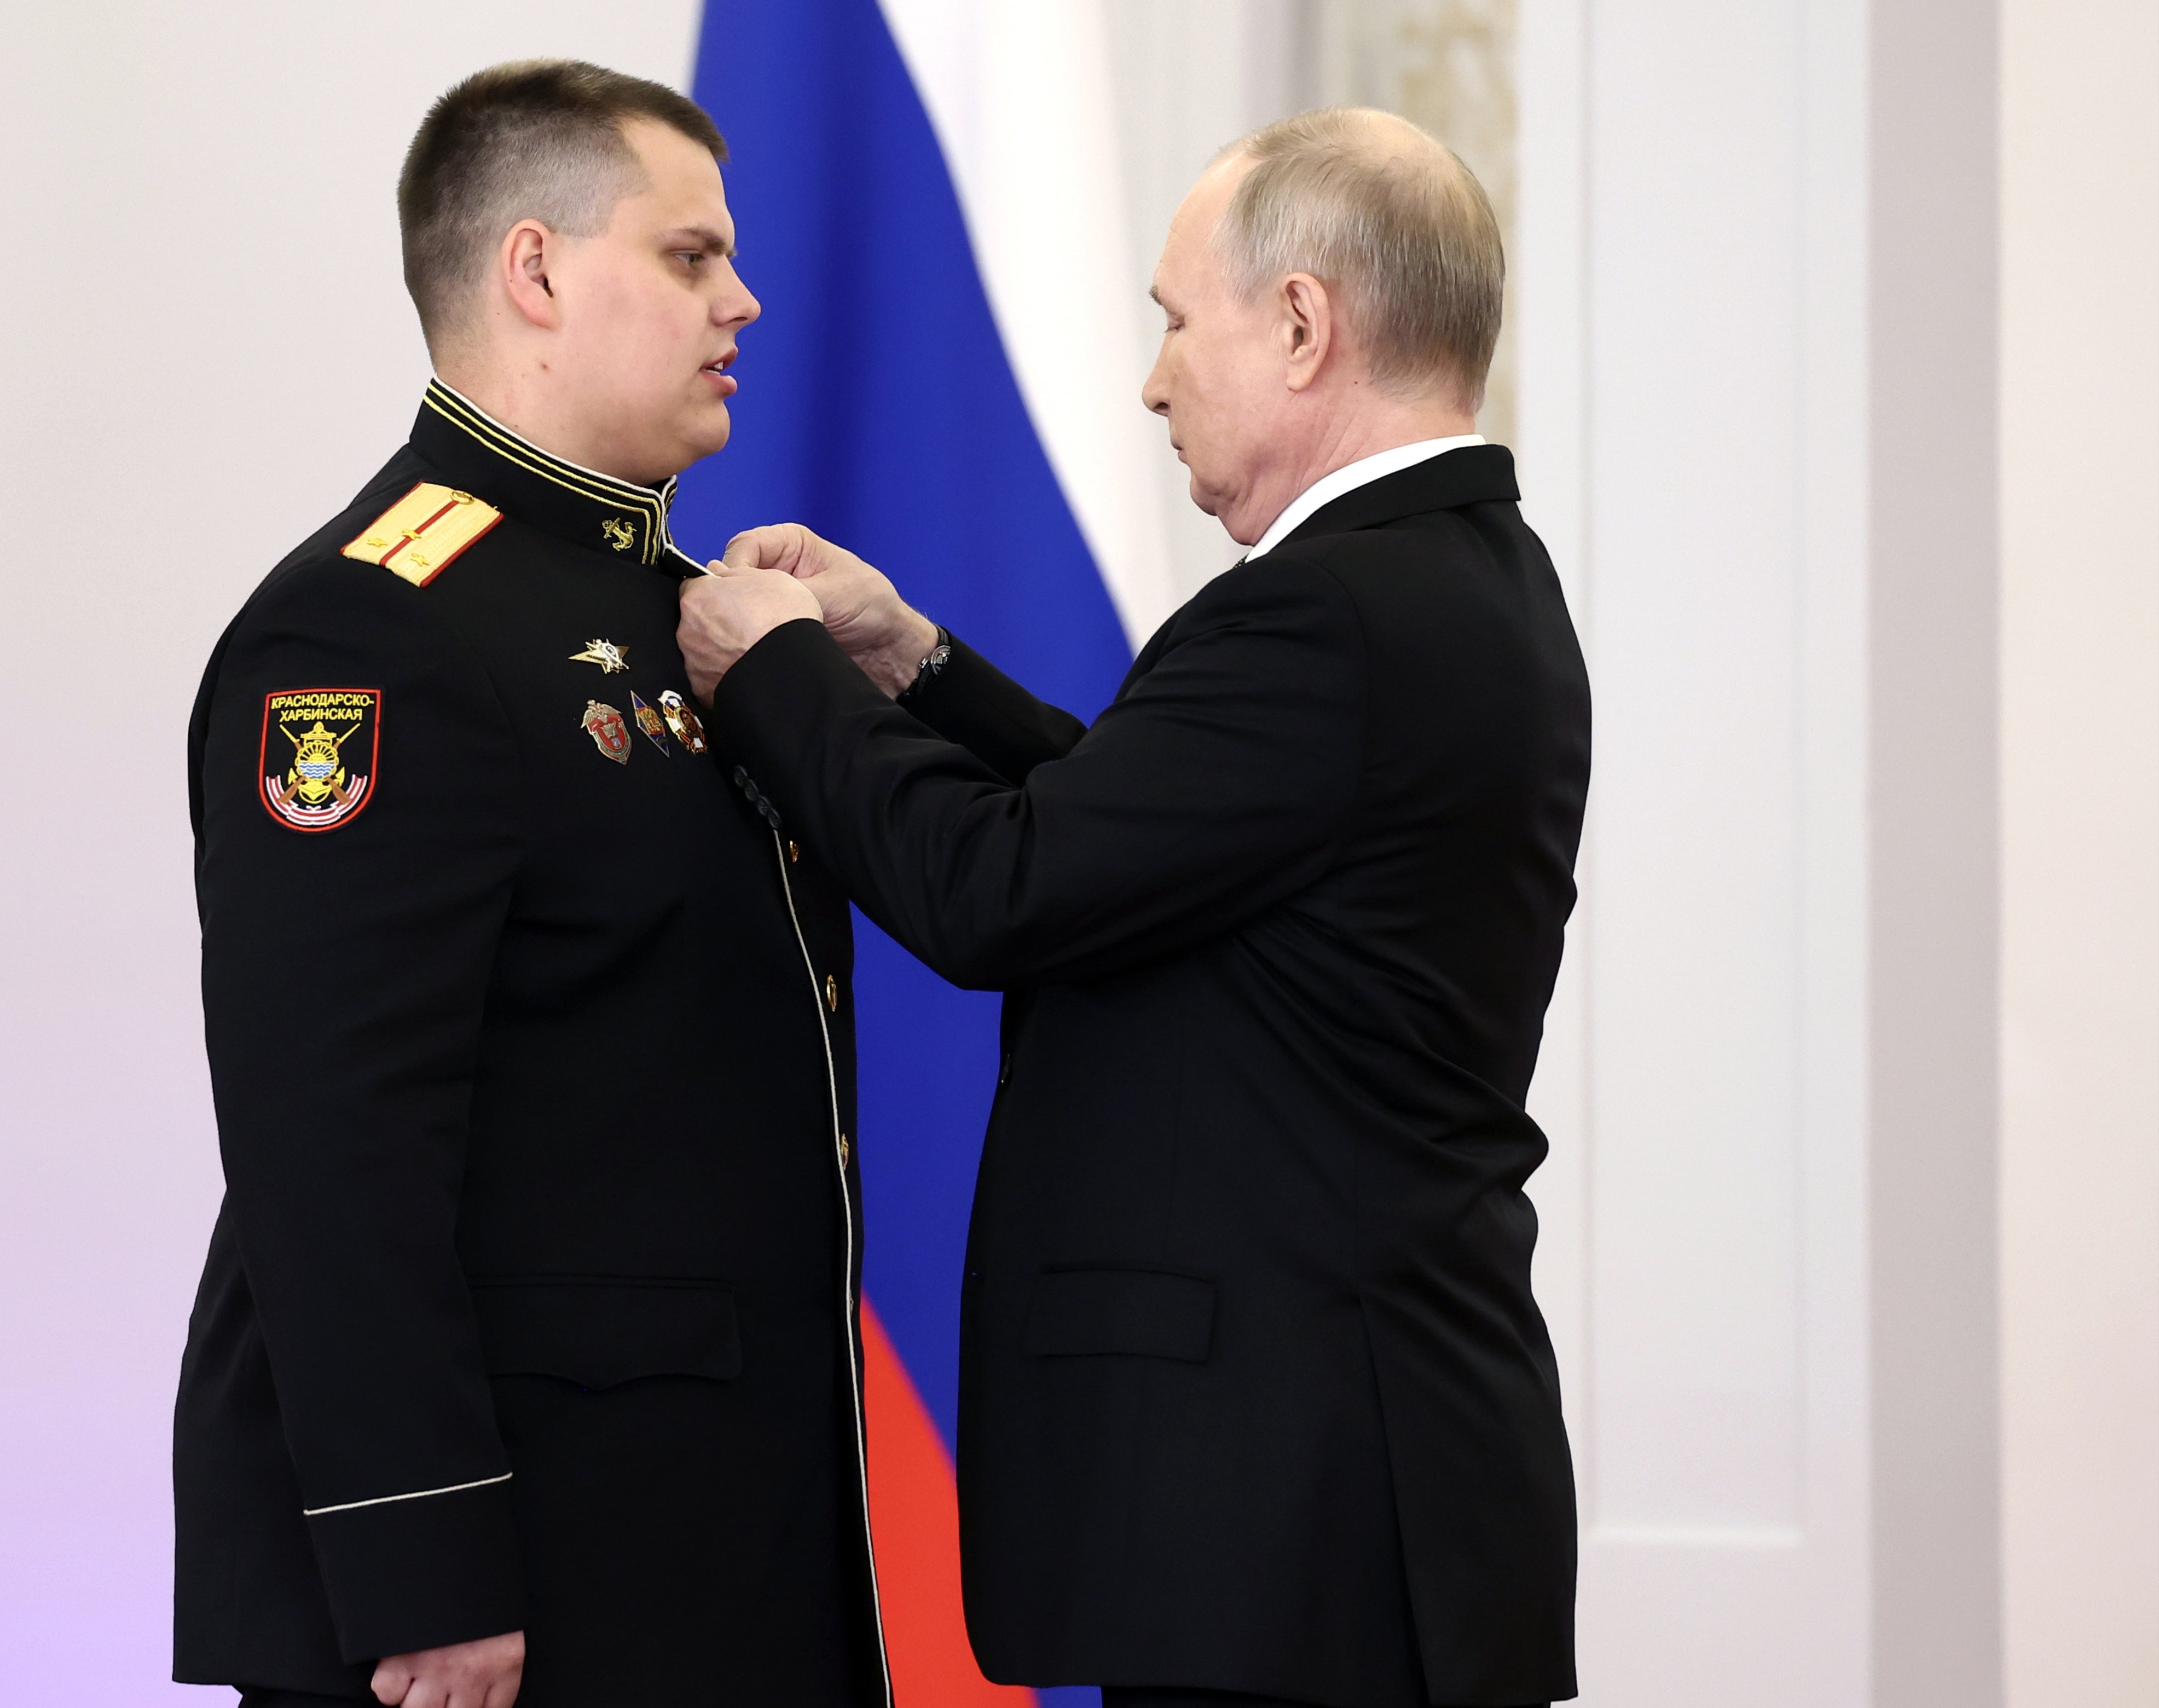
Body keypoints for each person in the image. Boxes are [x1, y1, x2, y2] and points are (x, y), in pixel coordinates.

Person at [678, 109, 1587, 1708]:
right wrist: (921, 668)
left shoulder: (1329, 611)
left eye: (1177, 322)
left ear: (1304, 325)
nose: (1154, 378)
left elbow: (1002, 890)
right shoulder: (1455, 581)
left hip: (1290, 1519)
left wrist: (781, 677)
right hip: (1350, 1497)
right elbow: (1175, 844)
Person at [175, 61, 885, 1708]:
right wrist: (417, 1550)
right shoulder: (366, 633)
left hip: (705, 1534)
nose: (746, 298)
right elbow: (330, 1134)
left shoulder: (688, 610)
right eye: (692, 256)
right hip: (506, 1586)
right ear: (538, 272)